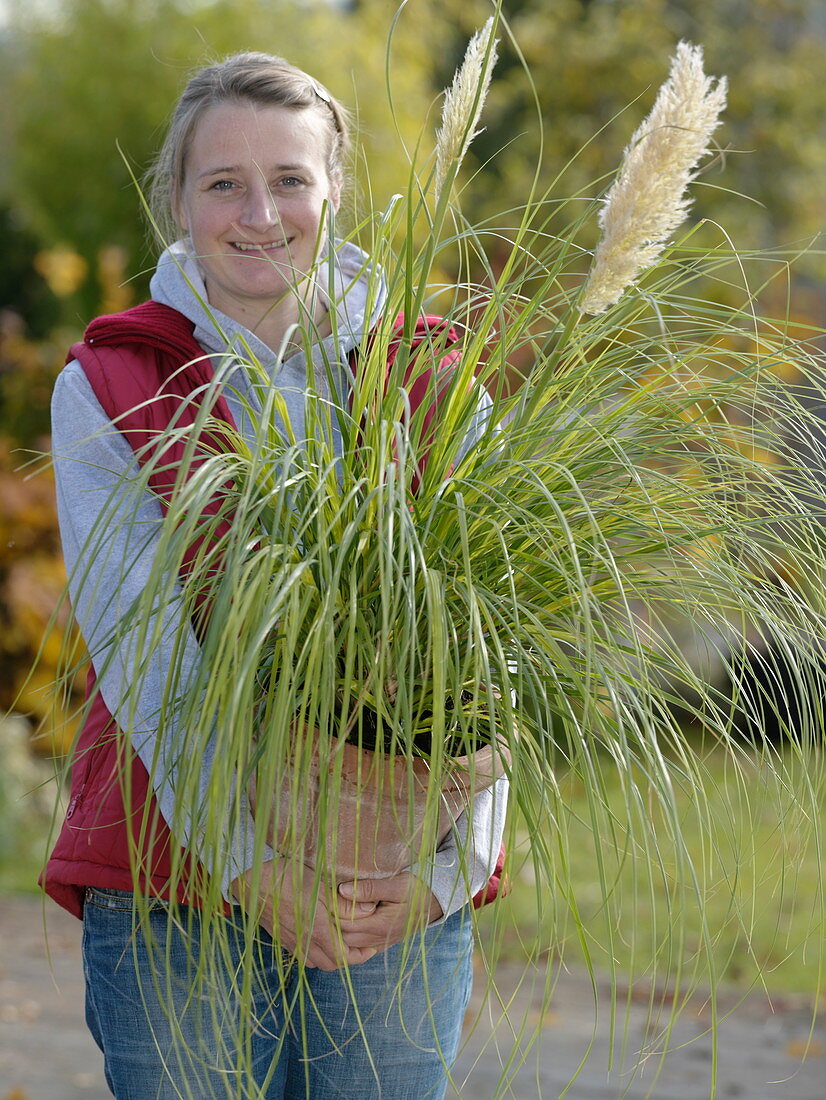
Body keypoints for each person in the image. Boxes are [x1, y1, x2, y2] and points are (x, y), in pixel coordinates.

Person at [41, 52, 508, 1099]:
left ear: (332, 189)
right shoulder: (113, 380)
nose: (261, 213)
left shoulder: (433, 380)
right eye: (223, 184)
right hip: (176, 882)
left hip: (390, 884)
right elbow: (141, 648)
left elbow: (500, 648)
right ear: (178, 200)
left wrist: (448, 873)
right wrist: (252, 864)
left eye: (290, 179)